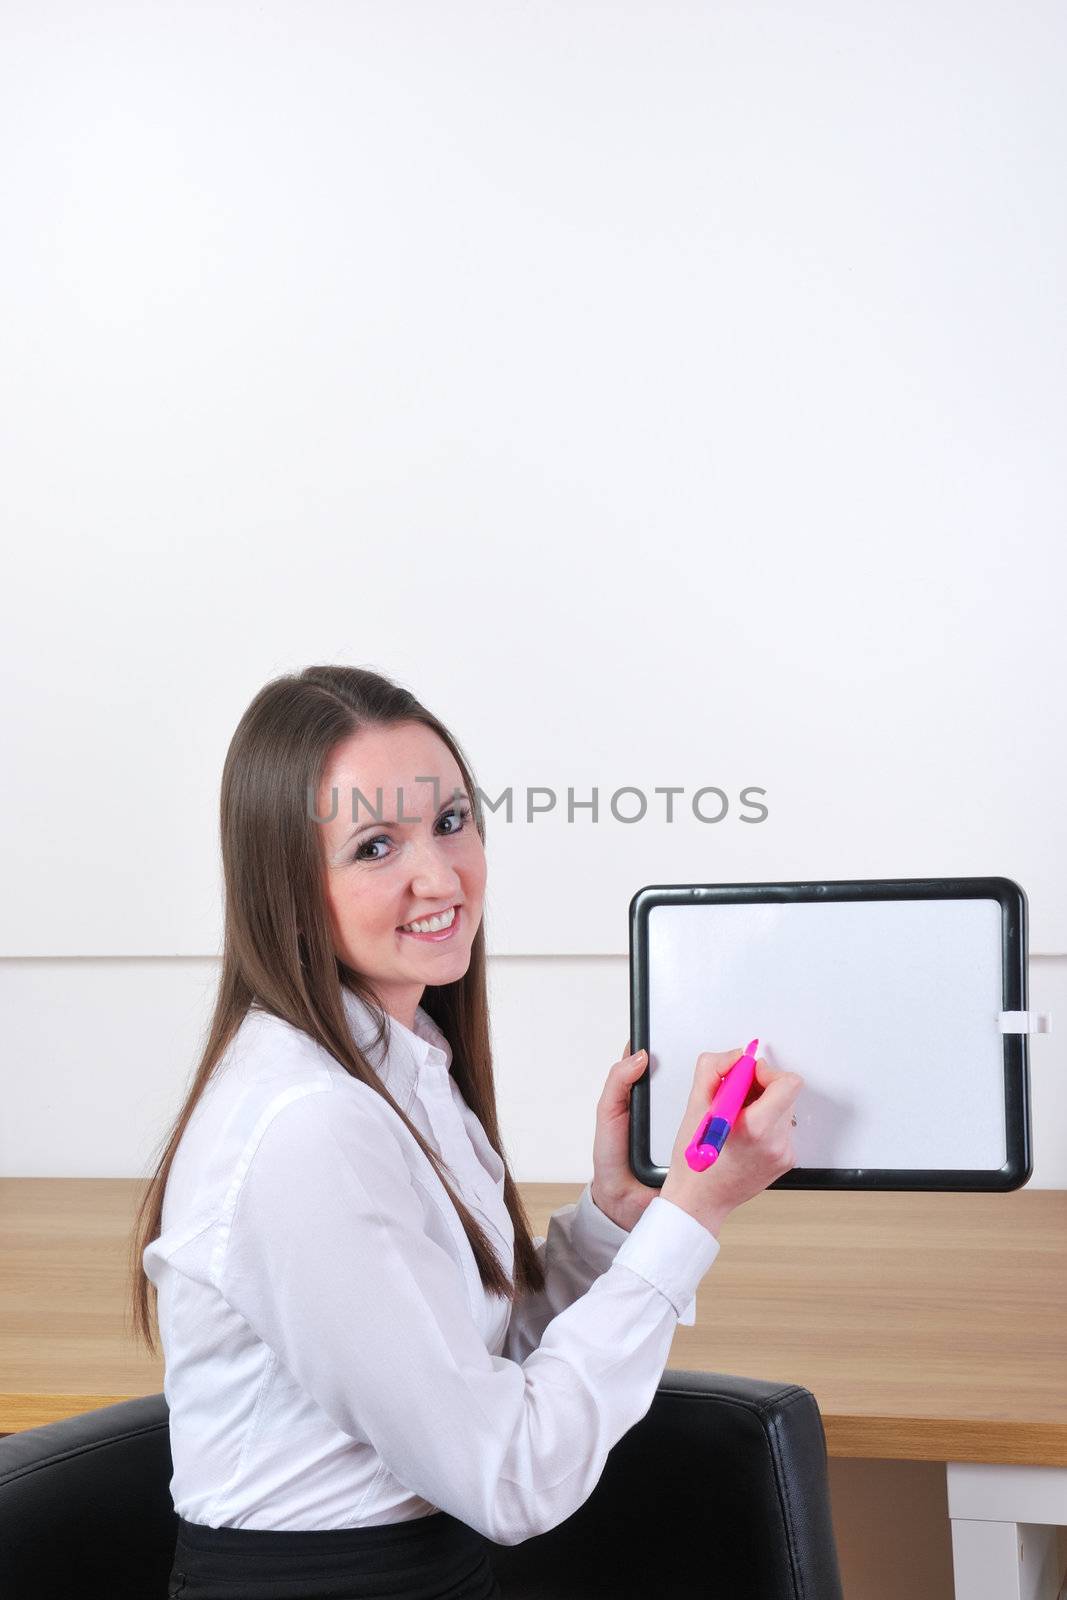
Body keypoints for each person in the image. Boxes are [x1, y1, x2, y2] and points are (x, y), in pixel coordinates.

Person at [129, 664, 802, 1600]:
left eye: (450, 822)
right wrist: (692, 1216)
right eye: (374, 846)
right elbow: (512, 1475)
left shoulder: (406, 1062)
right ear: (287, 882)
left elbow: (473, 1368)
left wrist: (615, 1223)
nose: (440, 876)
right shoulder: (306, 1127)